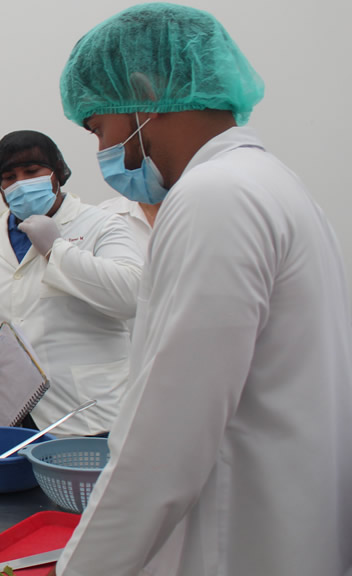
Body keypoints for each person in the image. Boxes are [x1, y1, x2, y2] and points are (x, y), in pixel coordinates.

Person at [54, 4, 352, 575]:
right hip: (294, 532)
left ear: (142, 94)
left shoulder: (214, 197)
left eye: (97, 126)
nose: (101, 152)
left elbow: (162, 447)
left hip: (239, 542)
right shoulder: (275, 185)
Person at [0, 131, 143, 437]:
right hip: (8, 408)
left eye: (32, 172)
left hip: (86, 413)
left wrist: (57, 251)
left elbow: (130, 295)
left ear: (57, 173)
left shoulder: (102, 224)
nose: (20, 184)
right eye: (9, 176)